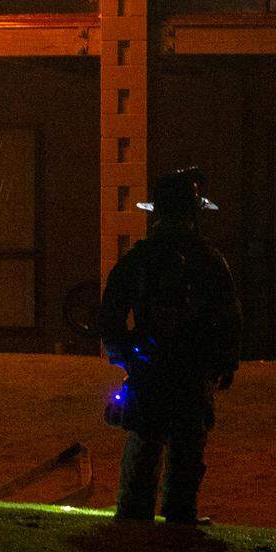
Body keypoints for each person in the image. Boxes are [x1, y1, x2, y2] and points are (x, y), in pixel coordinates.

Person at [100, 167, 241, 525]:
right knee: (187, 447)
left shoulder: (139, 259)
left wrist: (127, 357)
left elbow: (111, 316)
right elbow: (229, 317)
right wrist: (224, 362)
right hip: (192, 371)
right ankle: (179, 516)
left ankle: (134, 517)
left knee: (145, 442)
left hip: (150, 369)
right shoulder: (209, 261)